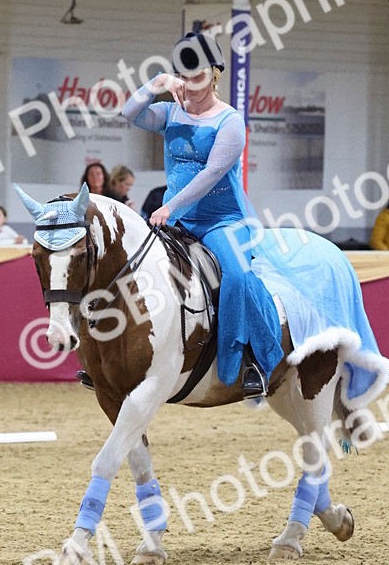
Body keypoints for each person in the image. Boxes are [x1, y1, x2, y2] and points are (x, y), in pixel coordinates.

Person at [120, 31, 283, 397]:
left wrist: (170, 205)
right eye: (185, 76)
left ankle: (253, 361)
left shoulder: (230, 121)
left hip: (221, 220)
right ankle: (121, 359)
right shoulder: (169, 111)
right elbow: (129, 112)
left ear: (215, 75)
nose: (191, 85)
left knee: (238, 277)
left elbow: (210, 175)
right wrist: (156, 82)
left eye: (199, 76)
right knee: (132, 270)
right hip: (177, 220)